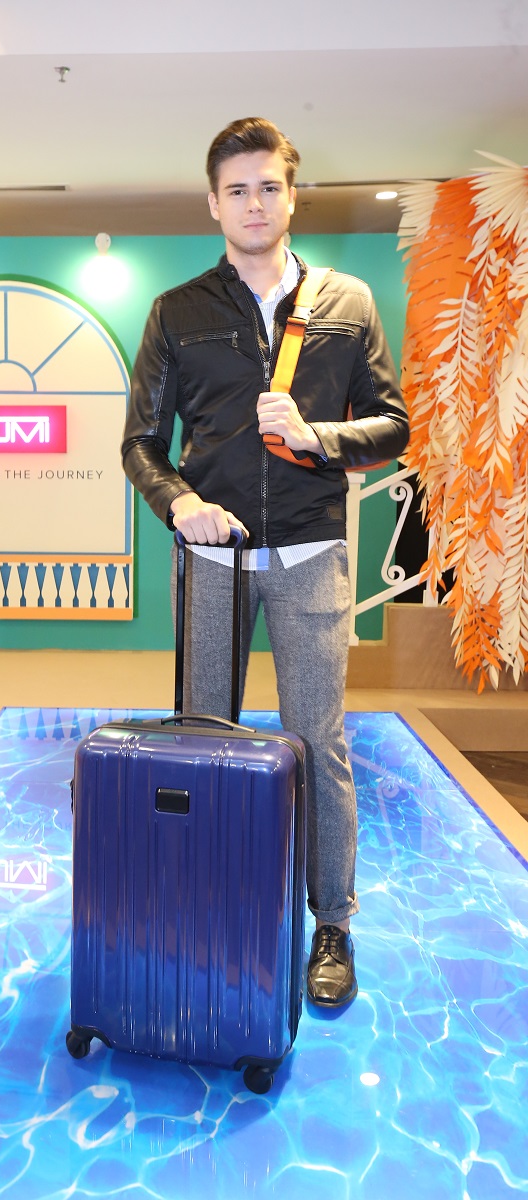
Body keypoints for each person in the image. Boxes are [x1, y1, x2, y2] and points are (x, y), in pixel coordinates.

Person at [121, 116, 409, 1007]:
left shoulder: (347, 302)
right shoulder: (177, 311)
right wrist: (182, 504)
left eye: (269, 187)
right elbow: (140, 443)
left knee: (317, 738)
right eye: (237, 190)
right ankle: (201, 904)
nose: (254, 203)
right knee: (204, 735)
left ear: (292, 196)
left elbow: (393, 427)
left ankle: (333, 923)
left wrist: (317, 436)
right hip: (213, 556)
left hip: (313, 549)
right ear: (214, 204)